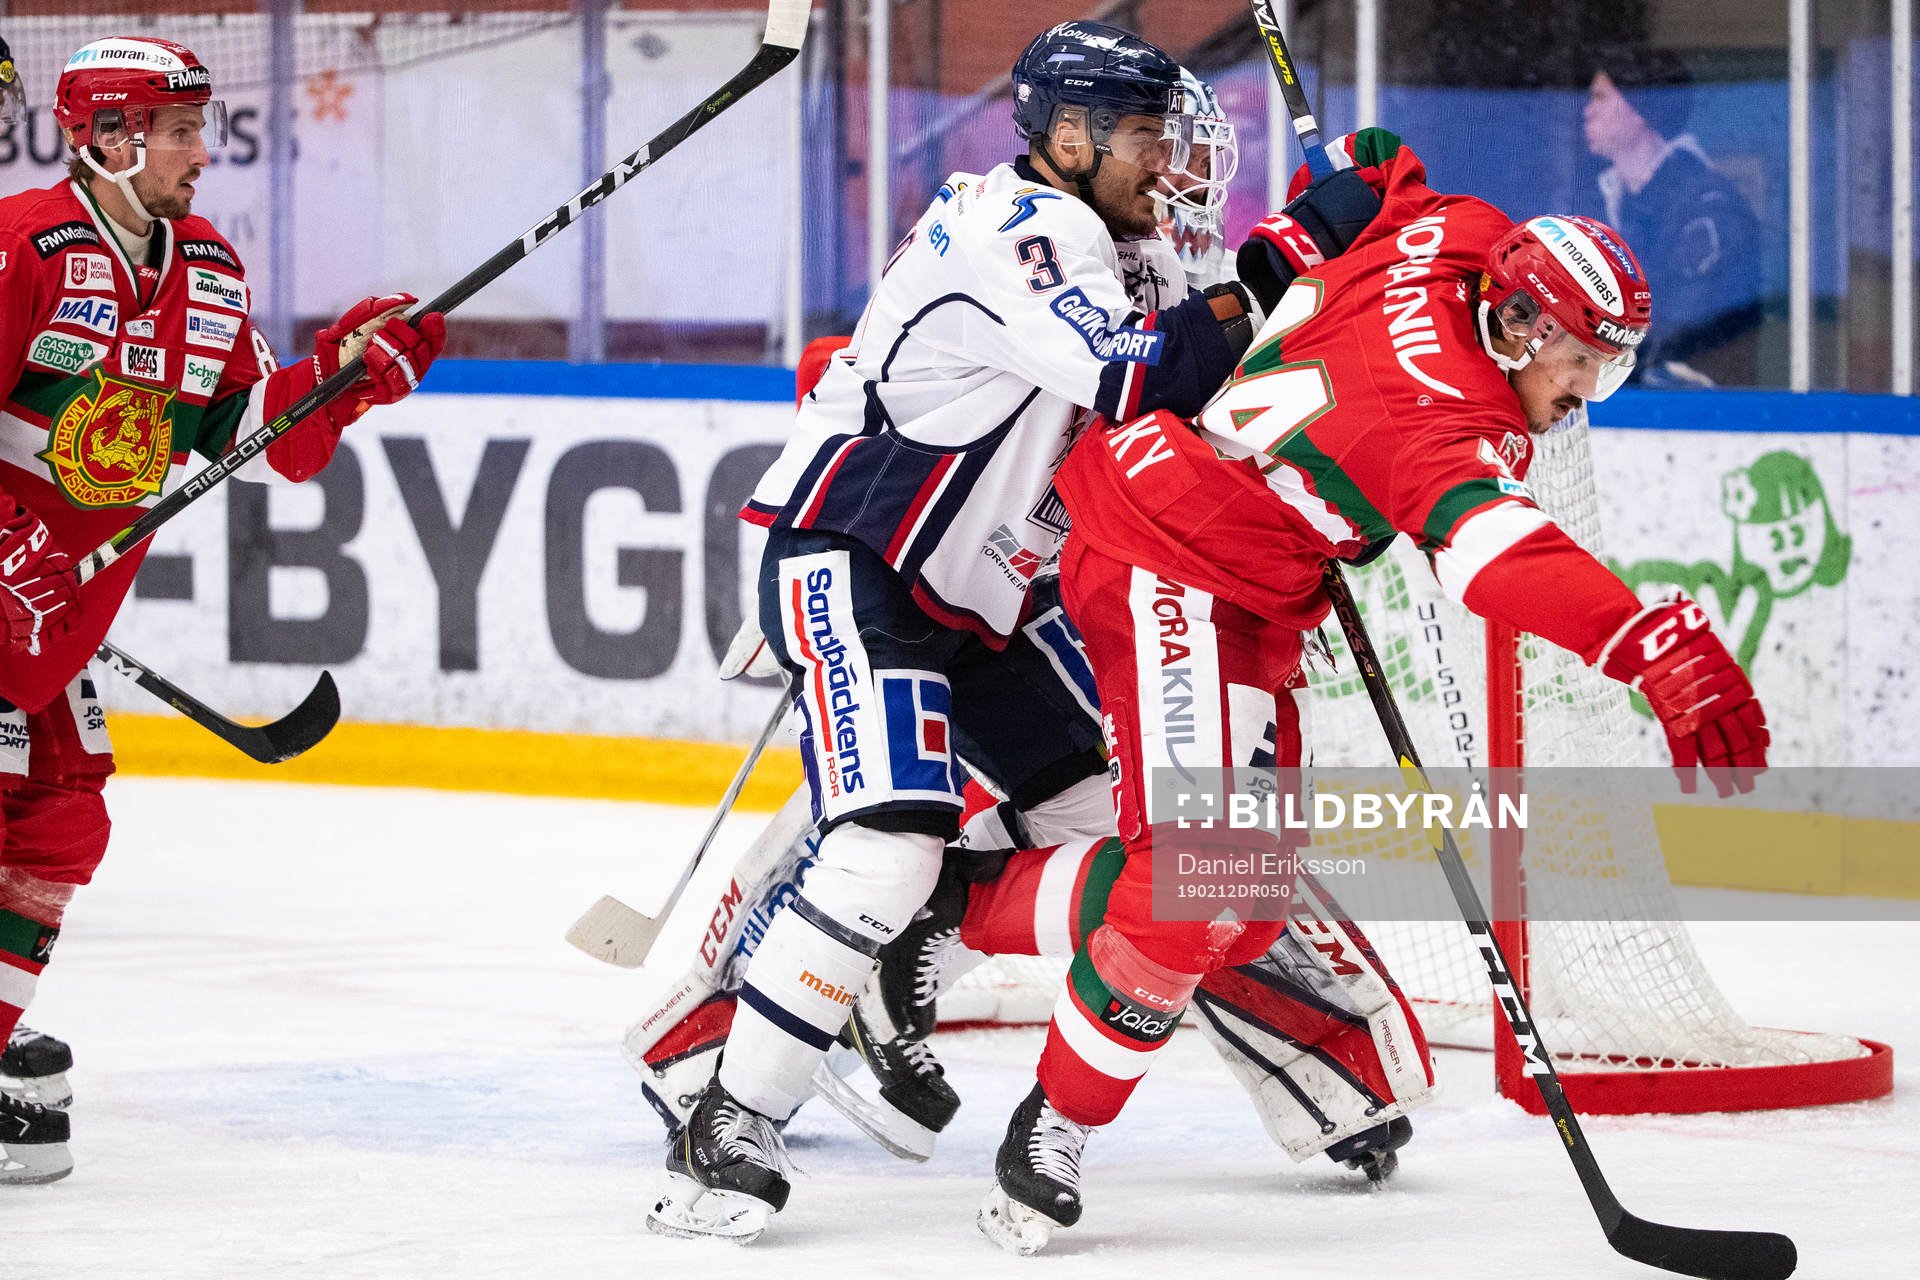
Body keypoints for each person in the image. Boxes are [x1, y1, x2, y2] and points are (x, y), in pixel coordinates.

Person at [954, 129, 1769, 1254]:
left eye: (1610, 366)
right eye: (1580, 360)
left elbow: (1378, 161)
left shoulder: (1467, 234)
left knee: (1242, 905)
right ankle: (1051, 1127)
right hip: (1172, 558)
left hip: (1239, 580)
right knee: (1191, 892)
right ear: (1523, 322)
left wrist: (1301, 220)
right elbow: (1496, 560)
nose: (1585, 391)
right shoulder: (1432, 423)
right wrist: (1645, 642)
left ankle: (945, 902)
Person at [647, 19, 1265, 1243]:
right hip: (860, 564)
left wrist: (1322, 270)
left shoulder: (1117, 239)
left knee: (1123, 844)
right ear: (1071, 135)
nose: (1173, 163)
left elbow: (1225, 360)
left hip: (984, 603)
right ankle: (729, 1115)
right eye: (1146, 136)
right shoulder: (1017, 229)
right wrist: (1293, 255)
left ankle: (905, 935)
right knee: (885, 846)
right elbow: (1144, 376)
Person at [0, 36, 444, 1184]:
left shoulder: (205, 267)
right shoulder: (22, 248)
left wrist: (346, 372)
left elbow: (259, 436)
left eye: (200, 126)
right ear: (107, 137)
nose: (204, 150)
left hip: (53, 633)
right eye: (179, 129)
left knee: (58, 820)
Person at [1583, 46, 1762, 386]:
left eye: (1600, 98)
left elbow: (1690, 334)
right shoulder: (1607, 199)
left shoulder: (1705, 205)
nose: (1587, 112)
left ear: (1640, 109)